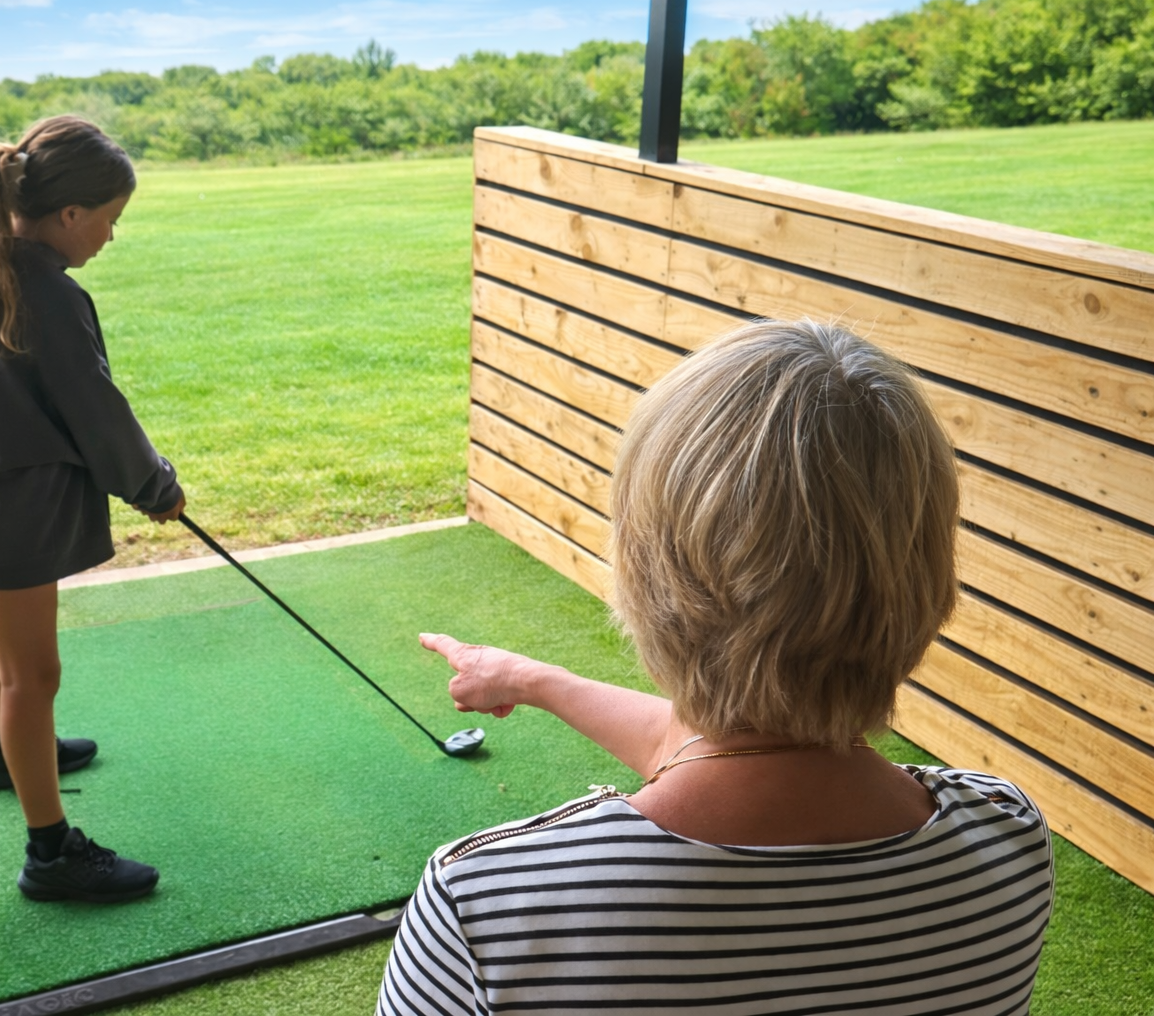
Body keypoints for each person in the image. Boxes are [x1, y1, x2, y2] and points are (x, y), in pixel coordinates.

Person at [380, 321, 1053, 1014]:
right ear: (927, 576)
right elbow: (755, 748)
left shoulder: (487, 907)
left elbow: (732, 754)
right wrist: (531, 681)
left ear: (647, 578)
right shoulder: (1006, 836)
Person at [0, 115, 185, 904]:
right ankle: (51, 853)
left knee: (6, 639)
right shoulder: (47, 295)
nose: (109, 237)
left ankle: (6, 751)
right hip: (0, 496)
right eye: (109, 221)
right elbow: (94, 410)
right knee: (35, 670)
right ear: (69, 216)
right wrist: (155, 485)